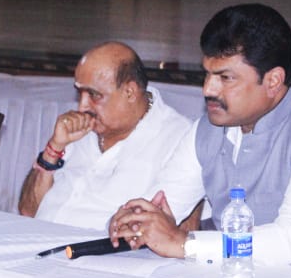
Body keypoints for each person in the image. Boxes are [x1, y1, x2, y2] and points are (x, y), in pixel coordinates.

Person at [107, 3, 291, 275]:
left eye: (226, 78)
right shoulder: (208, 129)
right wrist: (137, 223)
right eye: (207, 74)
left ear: (273, 81)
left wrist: (186, 244)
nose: (208, 89)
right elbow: (164, 205)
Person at [18, 41, 192, 230]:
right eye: (80, 92)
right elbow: (28, 211)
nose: (82, 106)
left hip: (100, 248)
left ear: (130, 92)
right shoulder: (78, 127)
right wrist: (54, 149)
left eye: (94, 95)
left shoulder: (178, 138)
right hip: (38, 238)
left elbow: (180, 233)